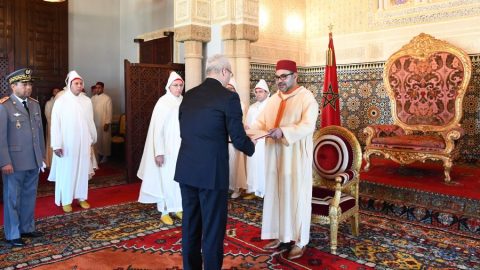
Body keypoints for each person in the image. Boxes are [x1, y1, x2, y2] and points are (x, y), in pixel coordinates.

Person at [174, 54, 255, 270]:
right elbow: (238, 139)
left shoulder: (189, 95)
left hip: (187, 169)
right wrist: (252, 145)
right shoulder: (229, 98)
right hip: (212, 173)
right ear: (223, 72)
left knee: (190, 225)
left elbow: (186, 129)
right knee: (212, 228)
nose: (229, 78)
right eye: (230, 74)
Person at [250, 60, 318, 260]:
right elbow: (260, 123)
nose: (279, 80)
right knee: (276, 196)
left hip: (295, 158)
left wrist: (284, 131)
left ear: (295, 76)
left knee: (296, 198)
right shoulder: (273, 100)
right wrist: (249, 133)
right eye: (277, 76)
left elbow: (308, 125)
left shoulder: (307, 98)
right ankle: (281, 236)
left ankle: (299, 240)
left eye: (284, 76)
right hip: (274, 157)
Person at [0, 68, 45, 247]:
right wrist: (4, 161)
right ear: (13, 86)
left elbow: (40, 133)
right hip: (14, 161)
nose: (28, 88)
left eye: (30, 84)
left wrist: (41, 156)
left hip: (33, 159)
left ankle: (27, 227)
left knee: (29, 195)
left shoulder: (34, 104)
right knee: (12, 198)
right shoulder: (4, 106)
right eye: (24, 84)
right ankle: (12, 233)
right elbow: (0, 137)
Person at [137, 71, 184, 225]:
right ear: (169, 87)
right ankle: (164, 210)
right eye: (175, 85)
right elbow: (157, 130)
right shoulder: (163, 102)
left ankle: (178, 207)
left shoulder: (183, 101)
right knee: (165, 178)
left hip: (180, 148)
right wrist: (159, 152)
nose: (178, 88)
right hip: (166, 149)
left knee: (179, 178)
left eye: (180, 85)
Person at [48, 70, 97, 213]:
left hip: (83, 143)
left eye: (81, 83)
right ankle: (66, 200)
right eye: (76, 83)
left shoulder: (87, 101)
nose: (79, 85)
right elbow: (55, 124)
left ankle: (82, 197)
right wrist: (56, 144)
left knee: (82, 170)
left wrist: (92, 138)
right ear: (69, 84)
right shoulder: (61, 101)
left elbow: (90, 121)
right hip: (66, 144)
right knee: (68, 171)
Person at [244, 79, 270, 199]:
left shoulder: (271, 106)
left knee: (263, 165)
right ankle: (255, 190)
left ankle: (265, 192)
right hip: (253, 141)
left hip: (265, 141)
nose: (258, 94)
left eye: (261, 92)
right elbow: (248, 123)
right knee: (253, 165)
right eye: (257, 92)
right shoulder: (252, 107)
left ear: (266, 92)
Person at [225, 78, 247, 199]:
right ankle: (227, 186)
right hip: (223, 139)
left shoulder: (241, 104)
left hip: (235, 139)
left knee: (235, 164)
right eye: (227, 89)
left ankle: (236, 188)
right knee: (225, 164)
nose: (229, 91)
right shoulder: (221, 102)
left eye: (231, 89)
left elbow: (240, 123)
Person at [91, 82, 112, 163]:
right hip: (94, 123)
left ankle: (105, 156)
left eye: (99, 87)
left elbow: (109, 111)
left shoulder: (107, 98)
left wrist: (107, 122)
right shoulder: (92, 98)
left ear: (103, 88)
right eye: (96, 87)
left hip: (104, 123)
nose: (97, 89)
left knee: (104, 140)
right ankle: (98, 155)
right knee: (97, 140)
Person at [44, 87, 61, 168]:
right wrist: (54, 127)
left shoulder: (62, 102)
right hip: (52, 126)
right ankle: (50, 162)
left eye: (58, 91)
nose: (57, 92)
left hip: (61, 128)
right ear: (52, 93)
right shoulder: (49, 103)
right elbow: (48, 117)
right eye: (55, 91)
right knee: (52, 143)